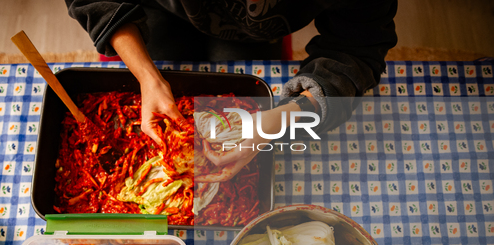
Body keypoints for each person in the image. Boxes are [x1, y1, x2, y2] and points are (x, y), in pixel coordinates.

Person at [64, 0, 398, 181]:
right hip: (155, 9)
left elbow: (355, 51)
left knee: (232, 63)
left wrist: (279, 121)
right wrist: (147, 77)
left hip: (258, 28)